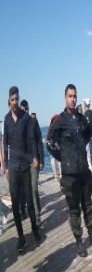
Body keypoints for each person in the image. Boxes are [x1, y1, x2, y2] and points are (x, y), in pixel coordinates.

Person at [47, 84, 92, 257]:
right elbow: (49, 143)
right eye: (70, 96)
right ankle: (79, 242)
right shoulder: (59, 120)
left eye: (75, 96)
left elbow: (90, 135)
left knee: (87, 204)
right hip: (69, 174)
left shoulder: (82, 119)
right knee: (74, 209)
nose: (73, 99)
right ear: (65, 97)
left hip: (83, 170)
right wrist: (63, 158)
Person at [3, 86, 40, 251]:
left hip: (25, 166)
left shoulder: (26, 118)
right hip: (12, 167)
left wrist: (35, 157)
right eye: (12, 100)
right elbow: (4, 144)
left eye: (17, 99)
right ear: (8, 102)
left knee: (30, 201)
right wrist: (4, 166)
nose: (15, 102)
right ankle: (20, 237)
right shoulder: (6, 120)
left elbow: (32, 140)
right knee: (16, 205)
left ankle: (34, 229)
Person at [18, 100, 44, 227]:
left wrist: (42, 160)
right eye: (23, 109)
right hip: (23, 162)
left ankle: (37, 217)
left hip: (34, 161)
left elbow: (40, 141)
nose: (25, 111)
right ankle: (34, 208)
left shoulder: (34, 121)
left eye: (26, 108)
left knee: (34, 188)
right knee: (27, 189)